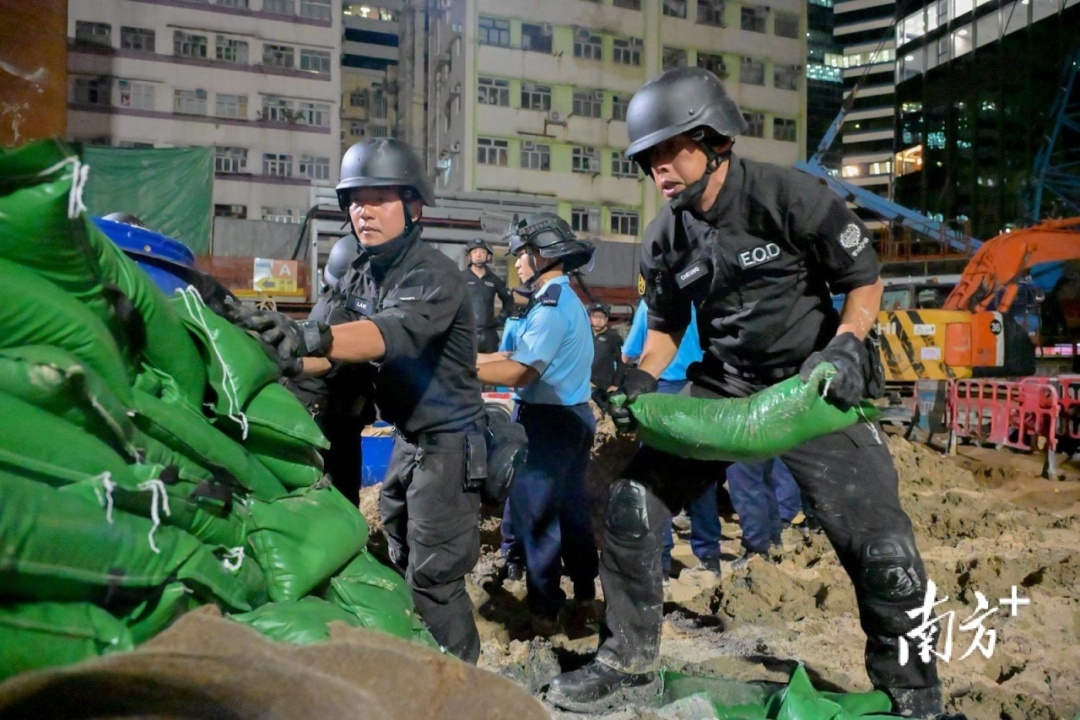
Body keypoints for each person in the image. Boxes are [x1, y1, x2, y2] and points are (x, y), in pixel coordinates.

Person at [547, 67, 942, 717]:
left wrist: (848, 345)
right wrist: (641, 376)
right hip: (725, 386)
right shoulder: (666, 237)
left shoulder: (789, 196)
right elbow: (667, 326)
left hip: (813, 386)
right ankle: (627, 663)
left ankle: (916, 693)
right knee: (631, 507)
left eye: (669, 150)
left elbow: (862, 278)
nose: (657, 169)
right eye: (647, 158)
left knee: (885, 550)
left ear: (714, 140)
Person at [231, 138, 486, 663]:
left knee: (435, 575)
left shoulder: (434, 274)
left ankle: (462, 681)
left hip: (451, 442)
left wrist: (310, 337)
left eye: (379, 199)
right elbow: (333, 349)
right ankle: (420, 665)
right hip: (408, 440)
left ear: (414, 206)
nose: (363, 211)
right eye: (355, 200)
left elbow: (387, 334)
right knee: (399, 548)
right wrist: (275, 349)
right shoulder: (363, 272)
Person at [476, 212, 599, 634]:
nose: (517, 262)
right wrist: (471, 358)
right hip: (571, 417)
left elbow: (521, 372)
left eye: (522, 254)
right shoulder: (561, 300)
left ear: (542, 255)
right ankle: (585, 589)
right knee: (571, 509)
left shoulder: (550, 307)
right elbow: (514, 356)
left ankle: (545, 609)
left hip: (549, 423)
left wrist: (462, 370)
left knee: (538, 518)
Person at [622, 299, 720, 580]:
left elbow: (628, 354)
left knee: (656, 478)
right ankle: (709, 557)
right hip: (700, 390)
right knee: (702, 473)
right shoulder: (705, 302)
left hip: (662, 390)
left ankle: (661, 562)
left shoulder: (652, 305)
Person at [726, 457, 806, 568]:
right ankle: (773, 540)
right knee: (764, 480)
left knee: (745, 485)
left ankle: (757, 551)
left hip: (742, 448)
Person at [463, 237, 514, 353]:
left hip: (489, 334)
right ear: (469, 256)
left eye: (483, 252)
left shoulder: (494, 280)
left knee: (492, 364)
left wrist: (501, 318)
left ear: (488, 256)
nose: (478, 255)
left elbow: (509, 300)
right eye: (475, 252)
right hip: (467, 333)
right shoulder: (461, 278)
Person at [588, 303, 626, 410]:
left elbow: (622, 362)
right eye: (595, 316)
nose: (598, 320)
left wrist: (616, 384)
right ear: (590, 317)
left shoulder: (614, 338)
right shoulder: (584, 334)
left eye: (602, 317)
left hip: (604, 386)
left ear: (607, 319)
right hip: (584, 383)